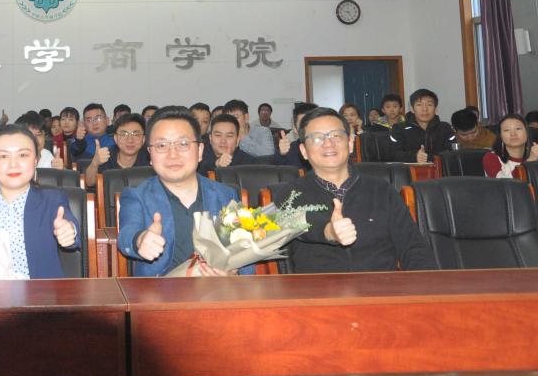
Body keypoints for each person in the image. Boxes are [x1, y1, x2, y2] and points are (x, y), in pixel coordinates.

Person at [271, 107, 436, 273]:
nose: (328, 144)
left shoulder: (382, 190)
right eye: (317, 138)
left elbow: (414, 248)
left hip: (379, 285)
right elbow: (283, 226)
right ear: (304, 151)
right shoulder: (289, 195)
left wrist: (428, 284)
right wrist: (328, 231)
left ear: (350, 144)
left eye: (336, 136)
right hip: (318, 288)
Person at [117, 106, 249, 277]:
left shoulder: (226, 195)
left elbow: (246, 254)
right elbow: (126, 235)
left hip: (218, 290)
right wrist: (141, 239)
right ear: (150, 154)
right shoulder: (136, 196)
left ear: (200, 151)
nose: (173, 155)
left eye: (183, 144)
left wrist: (234, 275)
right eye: (161, 145)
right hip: (158, 291)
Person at [0, 124, 80, 279]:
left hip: (42, 292)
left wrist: (69, 231)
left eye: (22, 155)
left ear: (35, 160)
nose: (13, 164)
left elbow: (70, 225)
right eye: (3, 156)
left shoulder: (53, 200)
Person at [84, 112, 150, 188]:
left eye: (135, 134)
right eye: (124, 134)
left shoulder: (151, 160)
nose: (130, 140)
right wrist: (95, 163)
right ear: (115, 138)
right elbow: (89, 182)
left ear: (143, 139)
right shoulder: (106, 157)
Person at [389, 89, 456, 163]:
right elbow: (394, 155)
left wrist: (428, 157)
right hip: (410, 170)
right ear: (412, 109)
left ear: (436, 109)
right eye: (419, 105)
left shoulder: (445, 128)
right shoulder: (399, 129)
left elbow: (454, 153)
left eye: (429, 105)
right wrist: (414, 156)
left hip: (440, 169)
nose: (424, 109)